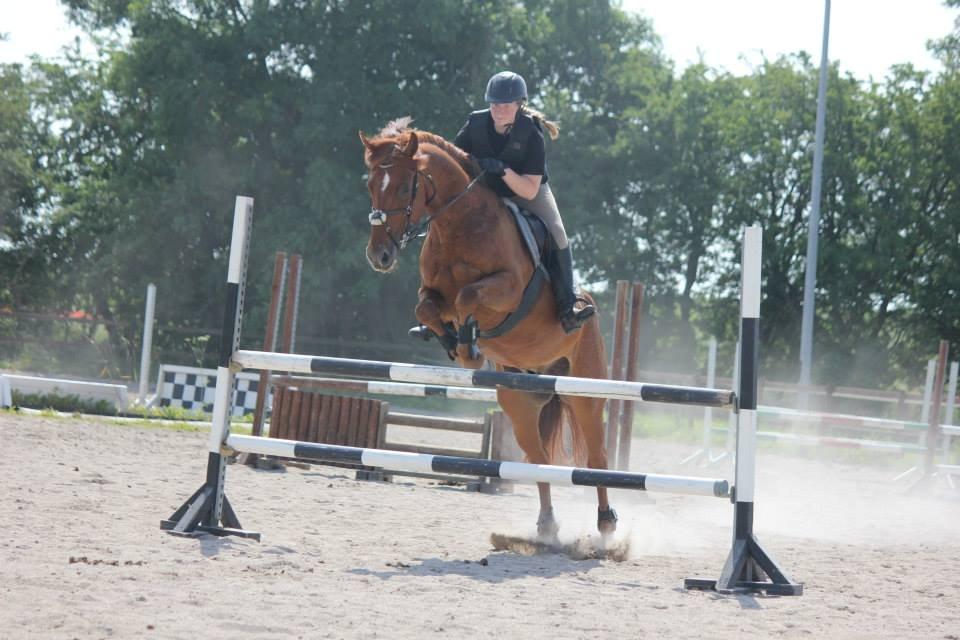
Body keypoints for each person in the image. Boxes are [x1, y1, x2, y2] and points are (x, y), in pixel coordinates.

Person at [453, 70, 595, 334]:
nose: (498, 109)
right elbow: (453, 160)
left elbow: (529, 190)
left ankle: (568, 305)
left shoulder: (530, 132)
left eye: (505, 105)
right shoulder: (474, 124)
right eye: (494, 103)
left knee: (558, 233)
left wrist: (504, 170)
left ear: (520, 105)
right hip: (487, 193)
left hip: (526, 191)